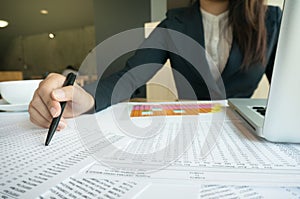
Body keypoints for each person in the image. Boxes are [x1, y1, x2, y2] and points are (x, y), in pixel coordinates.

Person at [29, 0, 282, 130]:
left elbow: (288, 88)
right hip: (189, 132)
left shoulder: (273, 20)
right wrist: (85, 96)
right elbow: (129, 77)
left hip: (247, 133)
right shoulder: (174, 23)